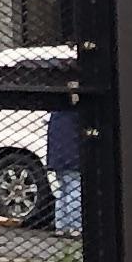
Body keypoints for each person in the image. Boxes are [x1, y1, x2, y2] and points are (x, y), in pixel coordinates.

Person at [44, 99, 84, 236]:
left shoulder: (56, 112)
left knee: (63, 190)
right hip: (73, 155)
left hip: (57, 155)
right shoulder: (76, 113)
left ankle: (61, 226)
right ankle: (76, 227)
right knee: (75, 189)